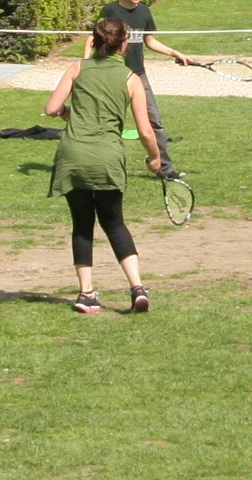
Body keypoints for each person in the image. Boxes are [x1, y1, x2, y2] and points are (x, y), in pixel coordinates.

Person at [44, 16, 164, 315]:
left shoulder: (77, 68)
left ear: (95, 42)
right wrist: (154, 158)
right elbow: (146, 130)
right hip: (107, 157)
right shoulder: (130, 79)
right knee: (114, 223)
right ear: (123, 44)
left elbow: (51, 108)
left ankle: (86, 294)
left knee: (82, 225)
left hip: (73, 157)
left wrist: (70, 115)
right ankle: (137, 288)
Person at [98, 0, 194, 175]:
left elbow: (149, 41)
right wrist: (88, 65)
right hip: (113, 75)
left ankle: (164, 169)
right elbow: (95, 40)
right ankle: (101, 167)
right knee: (107, 123)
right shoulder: (110, 11)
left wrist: (174, 52)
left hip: (138, 75)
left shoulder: (144, 12)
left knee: (154, 123)